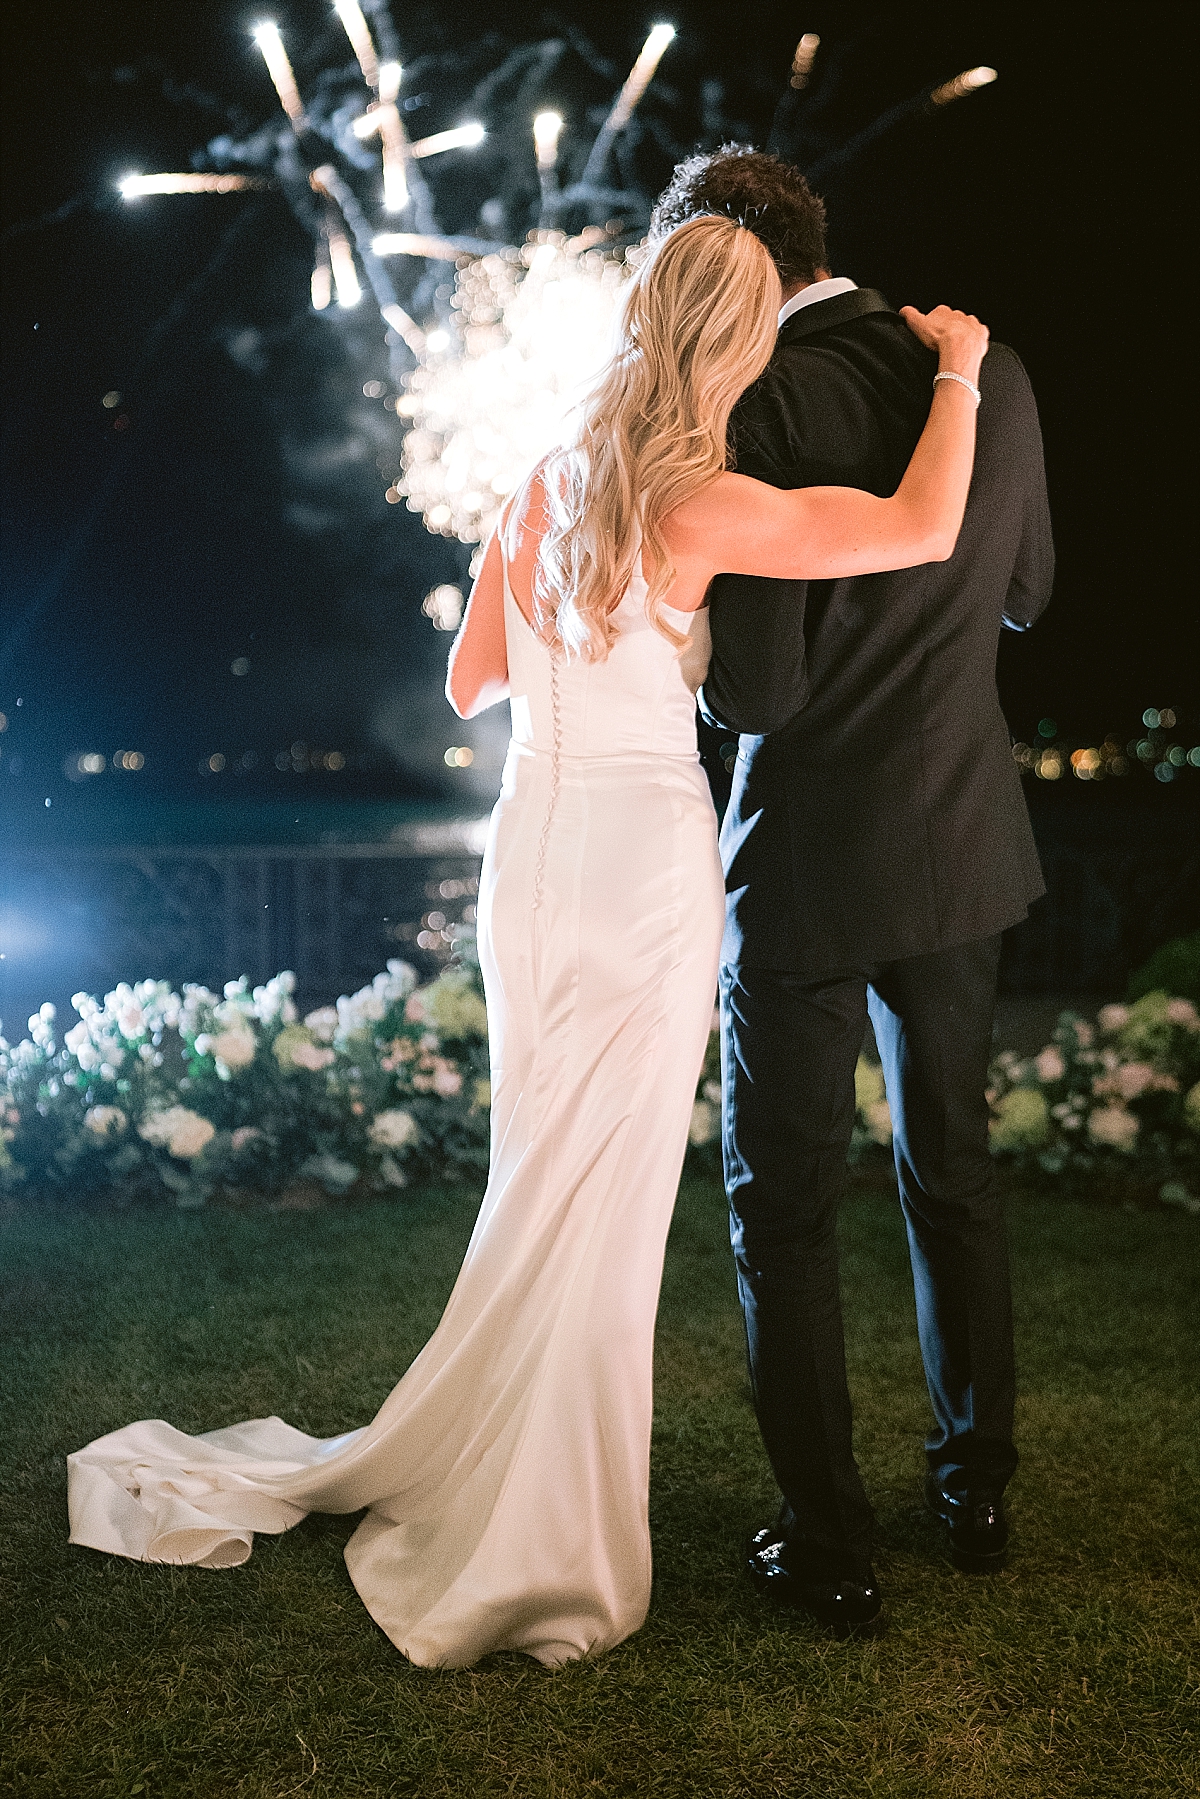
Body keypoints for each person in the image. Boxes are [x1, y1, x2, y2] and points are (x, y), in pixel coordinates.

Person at [67, 214, 988, 1668]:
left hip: (530, 857)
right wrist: (963, 376)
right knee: (606, 1205)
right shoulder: (707, 504)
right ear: (738, 346)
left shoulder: (551, 477)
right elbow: (929, 525)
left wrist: (568, 628)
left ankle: (511, 1467)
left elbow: (467, 682)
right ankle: (548, 1544)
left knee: (537, 1174)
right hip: (640, 866)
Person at [650, 149, 1053, 1633]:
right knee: (954, 1173)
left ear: (724, 255)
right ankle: (978, 1490)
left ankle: (832, 1540)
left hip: (809, 863)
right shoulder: (986, 372)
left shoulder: (761, 404)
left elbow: (756, 689)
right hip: (957, 841)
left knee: (787, 1209)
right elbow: (1031, 591)